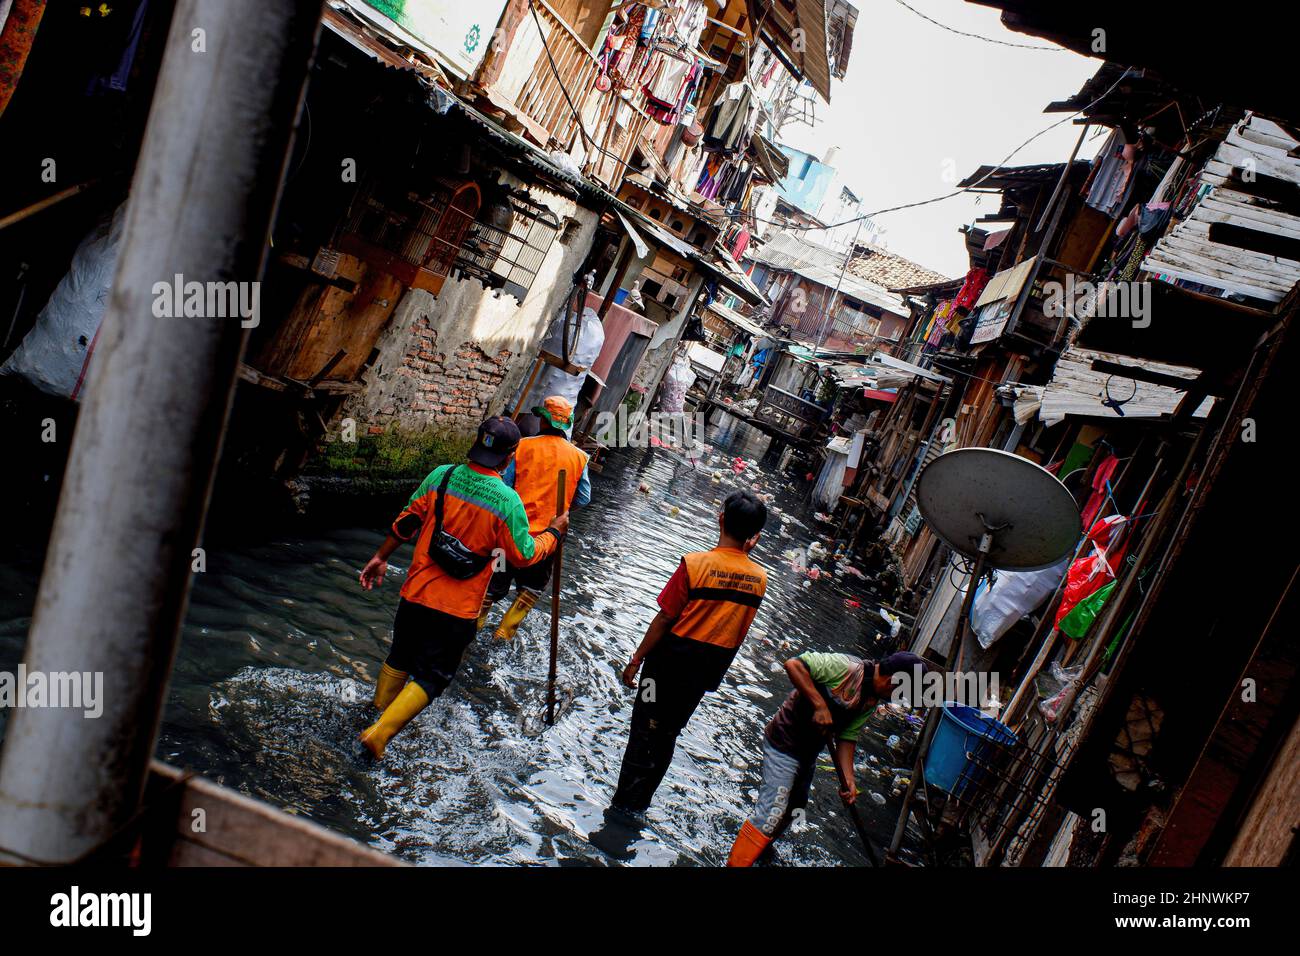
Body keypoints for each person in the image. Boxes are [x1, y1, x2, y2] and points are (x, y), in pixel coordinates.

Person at [356, 416, 569, 759]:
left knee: (400, 655)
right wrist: (554, 533)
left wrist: (380, 557)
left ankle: (375, 712)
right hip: (457, 610)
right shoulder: (506, 501)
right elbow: (523, 556)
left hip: (416, 593)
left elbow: (407, 521)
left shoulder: (442, 476)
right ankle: (379, 734)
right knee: (434, 675)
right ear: (510, 456)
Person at [609, 491, 768, 818]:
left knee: (643, 728)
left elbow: (665, 616)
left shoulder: (695, 565)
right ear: (755, 537)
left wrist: (636, 658)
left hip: (663, 667)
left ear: (721, 519)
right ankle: (641, 804)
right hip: (702, 674)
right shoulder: (759, 580)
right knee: (668, 733)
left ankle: (623, 804)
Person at [726, 650, 928, 867]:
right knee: (771, 813)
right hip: (784, 742)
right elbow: (794, 665)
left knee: (795, 808)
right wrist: (820, 705)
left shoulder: (871, 699)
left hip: (807, 752)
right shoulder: (844, 667)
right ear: (892, 682)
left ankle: (760, 849)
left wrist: (849, 780)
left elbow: (848, 736)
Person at [483, 396, 592, 640]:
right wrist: (561, 511)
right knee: (531, 588)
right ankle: (504, 633)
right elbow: (583, 498)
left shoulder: (522, 446)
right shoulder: (579, 457)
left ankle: (474, 625)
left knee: (493, 584)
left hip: (511, 533)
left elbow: (506, 487)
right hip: (548, 538)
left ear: (543, 420)